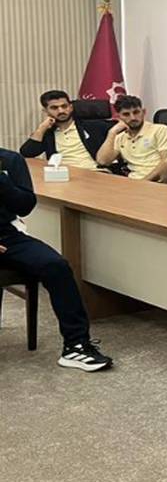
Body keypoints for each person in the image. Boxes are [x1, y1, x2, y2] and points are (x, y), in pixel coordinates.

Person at [0, 148, 113, 371]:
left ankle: (76, 345)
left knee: (56, 266)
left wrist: (3, 181)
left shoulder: (10, 160)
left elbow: (25, 206)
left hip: (8, 235)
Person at [19, 90, 111, 170]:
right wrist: (42, 128)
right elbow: (27, 153)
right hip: (62, 175)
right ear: (46, 111)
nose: (61, 111)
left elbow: (118, 126)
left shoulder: (92, 126)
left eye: (64, 106)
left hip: (94, 172)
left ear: (71, 107)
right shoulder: (47, 133)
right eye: (54, 108)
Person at [95, 95, 167, 180]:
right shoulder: (120, 137)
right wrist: (112, 133)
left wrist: (144, 181)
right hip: (133, 181)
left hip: (159, 182)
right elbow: (103, 161)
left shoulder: (160, 130)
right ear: (118, 117)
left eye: (136, 112)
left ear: (143, 112)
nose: (132, 118)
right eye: (126, 114)